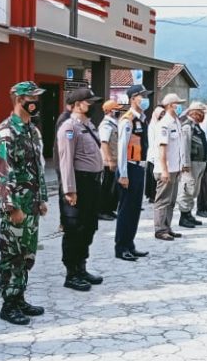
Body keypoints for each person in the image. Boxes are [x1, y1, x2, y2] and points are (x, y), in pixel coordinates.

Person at [0, 81, 49, 324]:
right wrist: (12, 206)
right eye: (31, 97)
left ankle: (20, 297)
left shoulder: (32, 130)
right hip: (15, 204)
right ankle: (8, 304)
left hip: (31, 203)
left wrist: (42, 198)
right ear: (18, 99)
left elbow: (39, 167)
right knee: (12, 255)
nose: (35, 101)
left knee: (27, 254)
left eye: (37, 97)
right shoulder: (7, 131)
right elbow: (4, 172)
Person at [58, 86, 105, 291]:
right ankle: (71, 273)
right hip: (79, 183)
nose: (93, 106)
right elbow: (66, 160)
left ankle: (82, 266)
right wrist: (69, 189)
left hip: (92, 183)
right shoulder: (70, 127)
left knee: (88, 226)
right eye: (89, 102)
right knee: (74, 228)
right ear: (78, 105)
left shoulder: (89, 126)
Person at [115, 84, 152, 261]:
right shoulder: (127, 120)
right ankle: (121, 247)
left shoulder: (142, 118)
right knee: (126, 209)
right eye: (141, 96)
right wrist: (123, 174)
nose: (145, 99)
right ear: (132, 99)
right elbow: (122, 148)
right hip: (129, 167)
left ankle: (130, 244)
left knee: (135, 209)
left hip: (139, 167)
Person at [153, 93, 186, 241]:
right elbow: (162, 148)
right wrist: (164, 169)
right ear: (170, 105)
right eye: (177, 103)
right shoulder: (164, 123)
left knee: (171, 201)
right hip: (165, 169)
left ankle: (167, 227)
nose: (179, 106)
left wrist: (181, 165)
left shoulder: (176, 122)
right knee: (163, 200)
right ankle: (160, 229)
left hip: (175, 168)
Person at [178, 101, 207, 228]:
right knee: (187, 188)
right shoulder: (187, 126)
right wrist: (185, 163)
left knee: (194, 190)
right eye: (202, 112)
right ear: (195, 113)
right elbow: (184, 146)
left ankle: (189, 213)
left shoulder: (196, 125)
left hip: (199, 162)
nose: (203, 115)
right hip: (191, 163)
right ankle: (183, 216)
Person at [98, 99, 123, 221]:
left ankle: (109, 209)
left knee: (113, 187)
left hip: (114, 160)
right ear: (109, 111)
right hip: (107, 161)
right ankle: (102, 210)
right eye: (116, 109)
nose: (118, 111)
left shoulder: (114, 123)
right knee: (106, 187)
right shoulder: (106, 125)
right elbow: (104, 143)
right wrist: (110, 160)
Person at [145, 104, 165, 203]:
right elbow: (152, 142)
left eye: (163, 114)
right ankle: (153, 196)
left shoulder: (162, 125)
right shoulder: (152, 125)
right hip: (153, 155)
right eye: (160, 114)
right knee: (153, 178)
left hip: (160, 155)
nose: (161, 116)